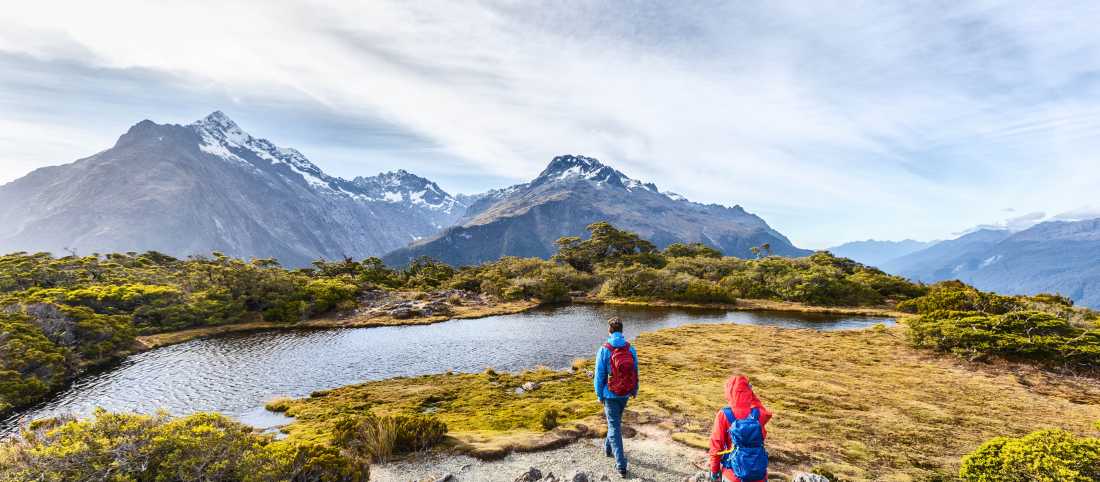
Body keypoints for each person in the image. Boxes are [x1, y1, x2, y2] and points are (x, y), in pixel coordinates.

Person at [594, 317, 638, 477]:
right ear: (622, 331)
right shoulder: (630, 349)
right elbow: (635, 372)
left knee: (614, 426)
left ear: (609, 331)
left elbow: (599, 376)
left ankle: (621, 465)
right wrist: (634, 390)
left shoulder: (604, 349)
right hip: (625, 393)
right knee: (614, 424)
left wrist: (599, 394)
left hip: (610, 395)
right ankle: (607, 449)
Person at [708, 375, 772, 482]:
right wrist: (751, 394)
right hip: (758, 475)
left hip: (732, 475)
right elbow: (767, 414)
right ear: (749, 391)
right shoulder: (758, 414)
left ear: (729, 392)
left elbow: (716, 446)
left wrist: (714, 472)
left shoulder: (723, 414)